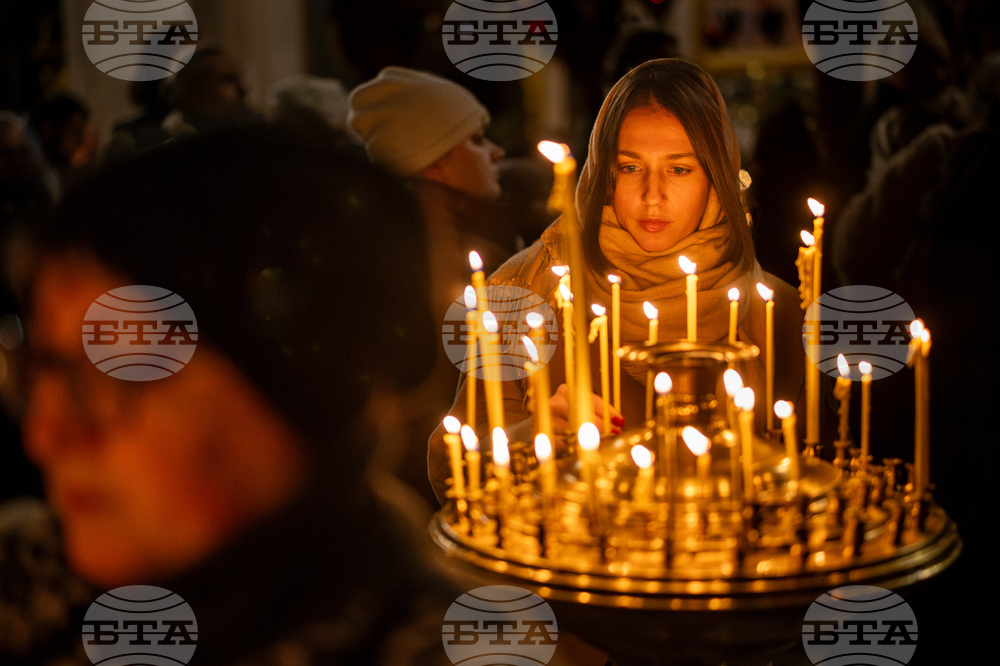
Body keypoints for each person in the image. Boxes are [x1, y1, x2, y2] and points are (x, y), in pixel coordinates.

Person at [0, 125, 456, 664]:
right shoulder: (28, 577)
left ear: (311, 392)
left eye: (115, 372)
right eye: (42, 369)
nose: (45, 436)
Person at [428, 58, 805, 504]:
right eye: (630, 167)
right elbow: (453, 468)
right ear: (604, 172)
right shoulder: (523, 291)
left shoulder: (775, 309)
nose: (652, 194)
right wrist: (532, 435)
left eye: (679, 168)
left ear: (716, 177)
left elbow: (803, 478)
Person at [348, 67, 534, 506]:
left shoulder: (485, 244)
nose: (496, 151)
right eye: (476, 139)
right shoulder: (414, 267)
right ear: (436, 159)